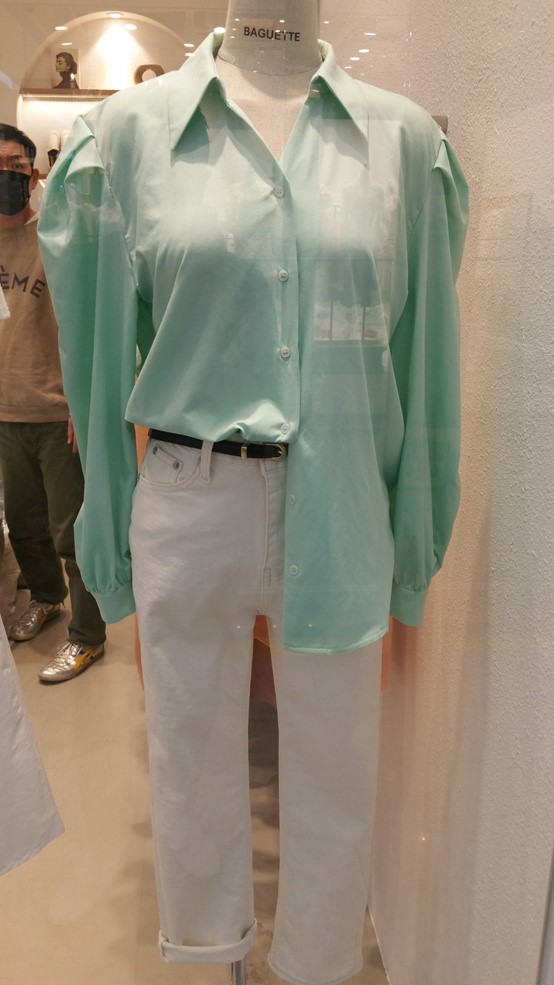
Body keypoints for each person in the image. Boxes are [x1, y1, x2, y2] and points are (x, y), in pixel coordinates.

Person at [38, 1, 468, 981]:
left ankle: (318, 963)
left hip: (342, 495)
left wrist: (413, 536)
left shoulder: (401, 142)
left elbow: (425, 363)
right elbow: (99, 363)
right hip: (189, 494)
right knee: (187, 758)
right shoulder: (128, 136)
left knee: (338, 769)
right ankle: (206, 958)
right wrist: (106, 534)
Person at [0, 123, 105, 683]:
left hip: (56, 411)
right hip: (5, 413)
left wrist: (80, 406)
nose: (6, 177)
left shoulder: (57, 238)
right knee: (23, 524)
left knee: (72, 533)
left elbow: (86, 324)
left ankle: (88, 635)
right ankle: (45, 597)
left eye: (14, 166)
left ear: (34, 172)